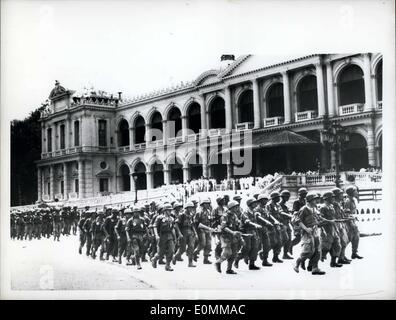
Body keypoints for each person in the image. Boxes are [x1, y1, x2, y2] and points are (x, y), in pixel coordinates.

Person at [293, 192, 326, 275]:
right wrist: (306, 229)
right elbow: (298, 220)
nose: (316, 200)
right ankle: (297, 263)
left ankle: (315, 268)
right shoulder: (304, 209)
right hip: (307, 232)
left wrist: (322, 228)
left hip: (315, 231)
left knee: (317, 250)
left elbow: (318, 219)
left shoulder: (315, 208)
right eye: (314, 199)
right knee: (308, 251)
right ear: (310, 200)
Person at [234, 197, 262, 270]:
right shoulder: (245, 212)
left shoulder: (254, 211)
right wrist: (255, 225)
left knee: (255, 248)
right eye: (254, 203)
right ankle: (237, 259)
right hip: (246, 231)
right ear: (250, 204)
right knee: (247, 248)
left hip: (253, 231)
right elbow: (247, 221)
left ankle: (252, 264)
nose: (256, 204)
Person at [214, 201, 241, 274]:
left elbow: (237, 225)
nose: (237, 208)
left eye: (237, 207)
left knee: (234, 253)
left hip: (233, 236)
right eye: (235, 207)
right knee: (227, 252)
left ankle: (229, 269)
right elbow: (223, 227)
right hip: (225, 236)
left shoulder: (234, 215)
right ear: (231, 208)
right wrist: (232, 232)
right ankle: (218, 262)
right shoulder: (225, 216)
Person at [319, 191, 343, 268]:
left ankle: (333, 262)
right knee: (326, 247)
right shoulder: (323, 208)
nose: (333, 198)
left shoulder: (332, 206)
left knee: (337, 245)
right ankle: (313, 263)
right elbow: (320, 219)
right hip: (326, 229)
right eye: (331, 197)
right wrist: (329, 221)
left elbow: (334, 217)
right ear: (327, 199)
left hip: (333, 228)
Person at [152, 204, 177, 271]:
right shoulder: (159, 218)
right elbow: (155, 227)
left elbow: (172, 228)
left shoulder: (171, 218)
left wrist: (175, 237)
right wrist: (156, 235)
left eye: (170, 210)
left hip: (169, 236)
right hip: (162, 236)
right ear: (165, 211)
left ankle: (167, 265)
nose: (170, 212)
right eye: (169, 210)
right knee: (161, 252)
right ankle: (154, 259)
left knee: (171, 250)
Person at [173, 202, 198, 267]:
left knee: (191, 247)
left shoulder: (191, 215)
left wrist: (195, 232)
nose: (191, 209)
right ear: (186, 208)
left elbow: (192, 224)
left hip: (190, 232)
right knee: (182, 249)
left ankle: (190, 262)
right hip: (183, 232)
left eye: (191, 207)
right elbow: (176, 224)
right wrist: (179, 233)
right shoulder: (182, 215)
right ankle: (175, 257)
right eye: (189, 207)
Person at [344, 186, 363, 260]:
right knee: (348, 239)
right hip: (349, 222)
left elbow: (353, 211)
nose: (357, 192)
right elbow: (346, 213)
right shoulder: (347, 201)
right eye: (355, 191)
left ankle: (354, 253)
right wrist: (351, 223)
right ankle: (341, 255)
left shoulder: (353, 200)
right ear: (351, 193)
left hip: (353, 220)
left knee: (356, 237)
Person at [255, 194, 274, 267]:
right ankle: (249, 259)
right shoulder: (257, 209)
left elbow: (269, 216)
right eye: (264, 199)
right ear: (260, 201)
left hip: (265, 228)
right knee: (257, 245)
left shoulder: (265, 208)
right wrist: (267, 222)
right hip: (259, 229)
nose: (266, 201)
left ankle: (265, 260)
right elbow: (258, 218)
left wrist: (273, 221)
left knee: (267, 245)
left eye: (266, 199)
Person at [265, 192, 284, 263]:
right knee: (273, 242)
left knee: (279, 241)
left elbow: (280, 213)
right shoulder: (268, 205)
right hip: (271, 225)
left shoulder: (278, 205)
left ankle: (275, 257)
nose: (279, 199)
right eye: (278, 197)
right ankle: (262, 253)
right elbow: (269, 215)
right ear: (274, 198)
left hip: (278, 225)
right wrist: (275, 221)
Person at [193, 198, 212, 264]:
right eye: (206, 204)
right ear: (203, 204)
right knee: (202, 244)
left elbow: (210, 220)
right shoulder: (199, 212)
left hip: (207, 229)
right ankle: (194, 253)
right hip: (201, 230)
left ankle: (205, 259)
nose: (207, 205)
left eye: (208, 204)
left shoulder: (208, 211)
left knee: (208, 245)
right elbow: (197, 223)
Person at [290, 187, 308, 253]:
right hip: (297, 221)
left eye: (305, 194)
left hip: (304, 221)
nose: (305, 195)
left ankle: (304, 250)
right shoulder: (296, 202)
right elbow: (294, 211)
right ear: (300, 194)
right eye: (303, 194)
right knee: (298, 238)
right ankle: (290, 245)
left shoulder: (305, 201)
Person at [279, 190, 294, 259]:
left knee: (289, 239)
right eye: (286, 197)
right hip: (281, 224)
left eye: (288, 196)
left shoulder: (285, 206)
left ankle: (285, 254)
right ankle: (277, 251)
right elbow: (281, 213)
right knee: (285, 239)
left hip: (287, 223)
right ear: (282, 197)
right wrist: (289, 215)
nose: (287, 198)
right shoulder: (279, 205)